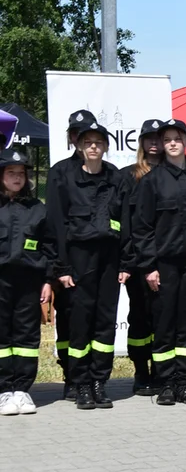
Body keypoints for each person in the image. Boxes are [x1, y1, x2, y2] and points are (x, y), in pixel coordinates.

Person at [47, 121, 132, 410]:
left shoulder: (116, 177)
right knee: (81, 322)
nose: (94, 147)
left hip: (109, 257)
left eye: (99, 142)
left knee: (105, 321)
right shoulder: (67, 178)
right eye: (88, 142)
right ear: (80, 147)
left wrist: (125, 261)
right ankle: (81, 382)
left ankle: (99, 382)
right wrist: (63, 267)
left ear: (107, 146)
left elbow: (126, 221)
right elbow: (58, 225)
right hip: (79, 259)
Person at [133, 119, 186, 406]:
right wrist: (149, 266)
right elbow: (142, 228)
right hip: (164, 265)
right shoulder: (152, 181)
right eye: (167, 139)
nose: (172, 143)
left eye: (177, 138)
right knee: (165, 323)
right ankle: (166, 382)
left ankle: (185, 382)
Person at [47, 110, 100, 401]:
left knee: (93, 320)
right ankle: (71, 374)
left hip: (96, 262)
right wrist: (60, 265)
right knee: (68, 320)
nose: (85, 142)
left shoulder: (106, 172)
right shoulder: (59, 172)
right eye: (78, 135)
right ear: (72, 139)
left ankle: (91, 375)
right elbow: (55, 222)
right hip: (67, 261)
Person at [0, 148, 54, 415]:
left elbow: (49, 247)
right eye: (11, 173)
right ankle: (3, 390)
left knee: (26, 336)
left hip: (29, 281)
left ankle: (22, 390)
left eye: (21, 173)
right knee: (1, 336)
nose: (17, 178)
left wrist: (47, 280)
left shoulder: (37, 209)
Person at [120, 120, 164, 396]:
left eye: (158, 138)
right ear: (142, 143)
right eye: (149, 138)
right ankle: (141, 371)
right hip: (138, 261)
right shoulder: (128, 176)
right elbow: (125, 222)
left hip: (168, 259)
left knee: (163, 319)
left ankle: (161, 371)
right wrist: (126, 260)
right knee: (139, 318)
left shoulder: (174, 175)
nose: (154, 143)